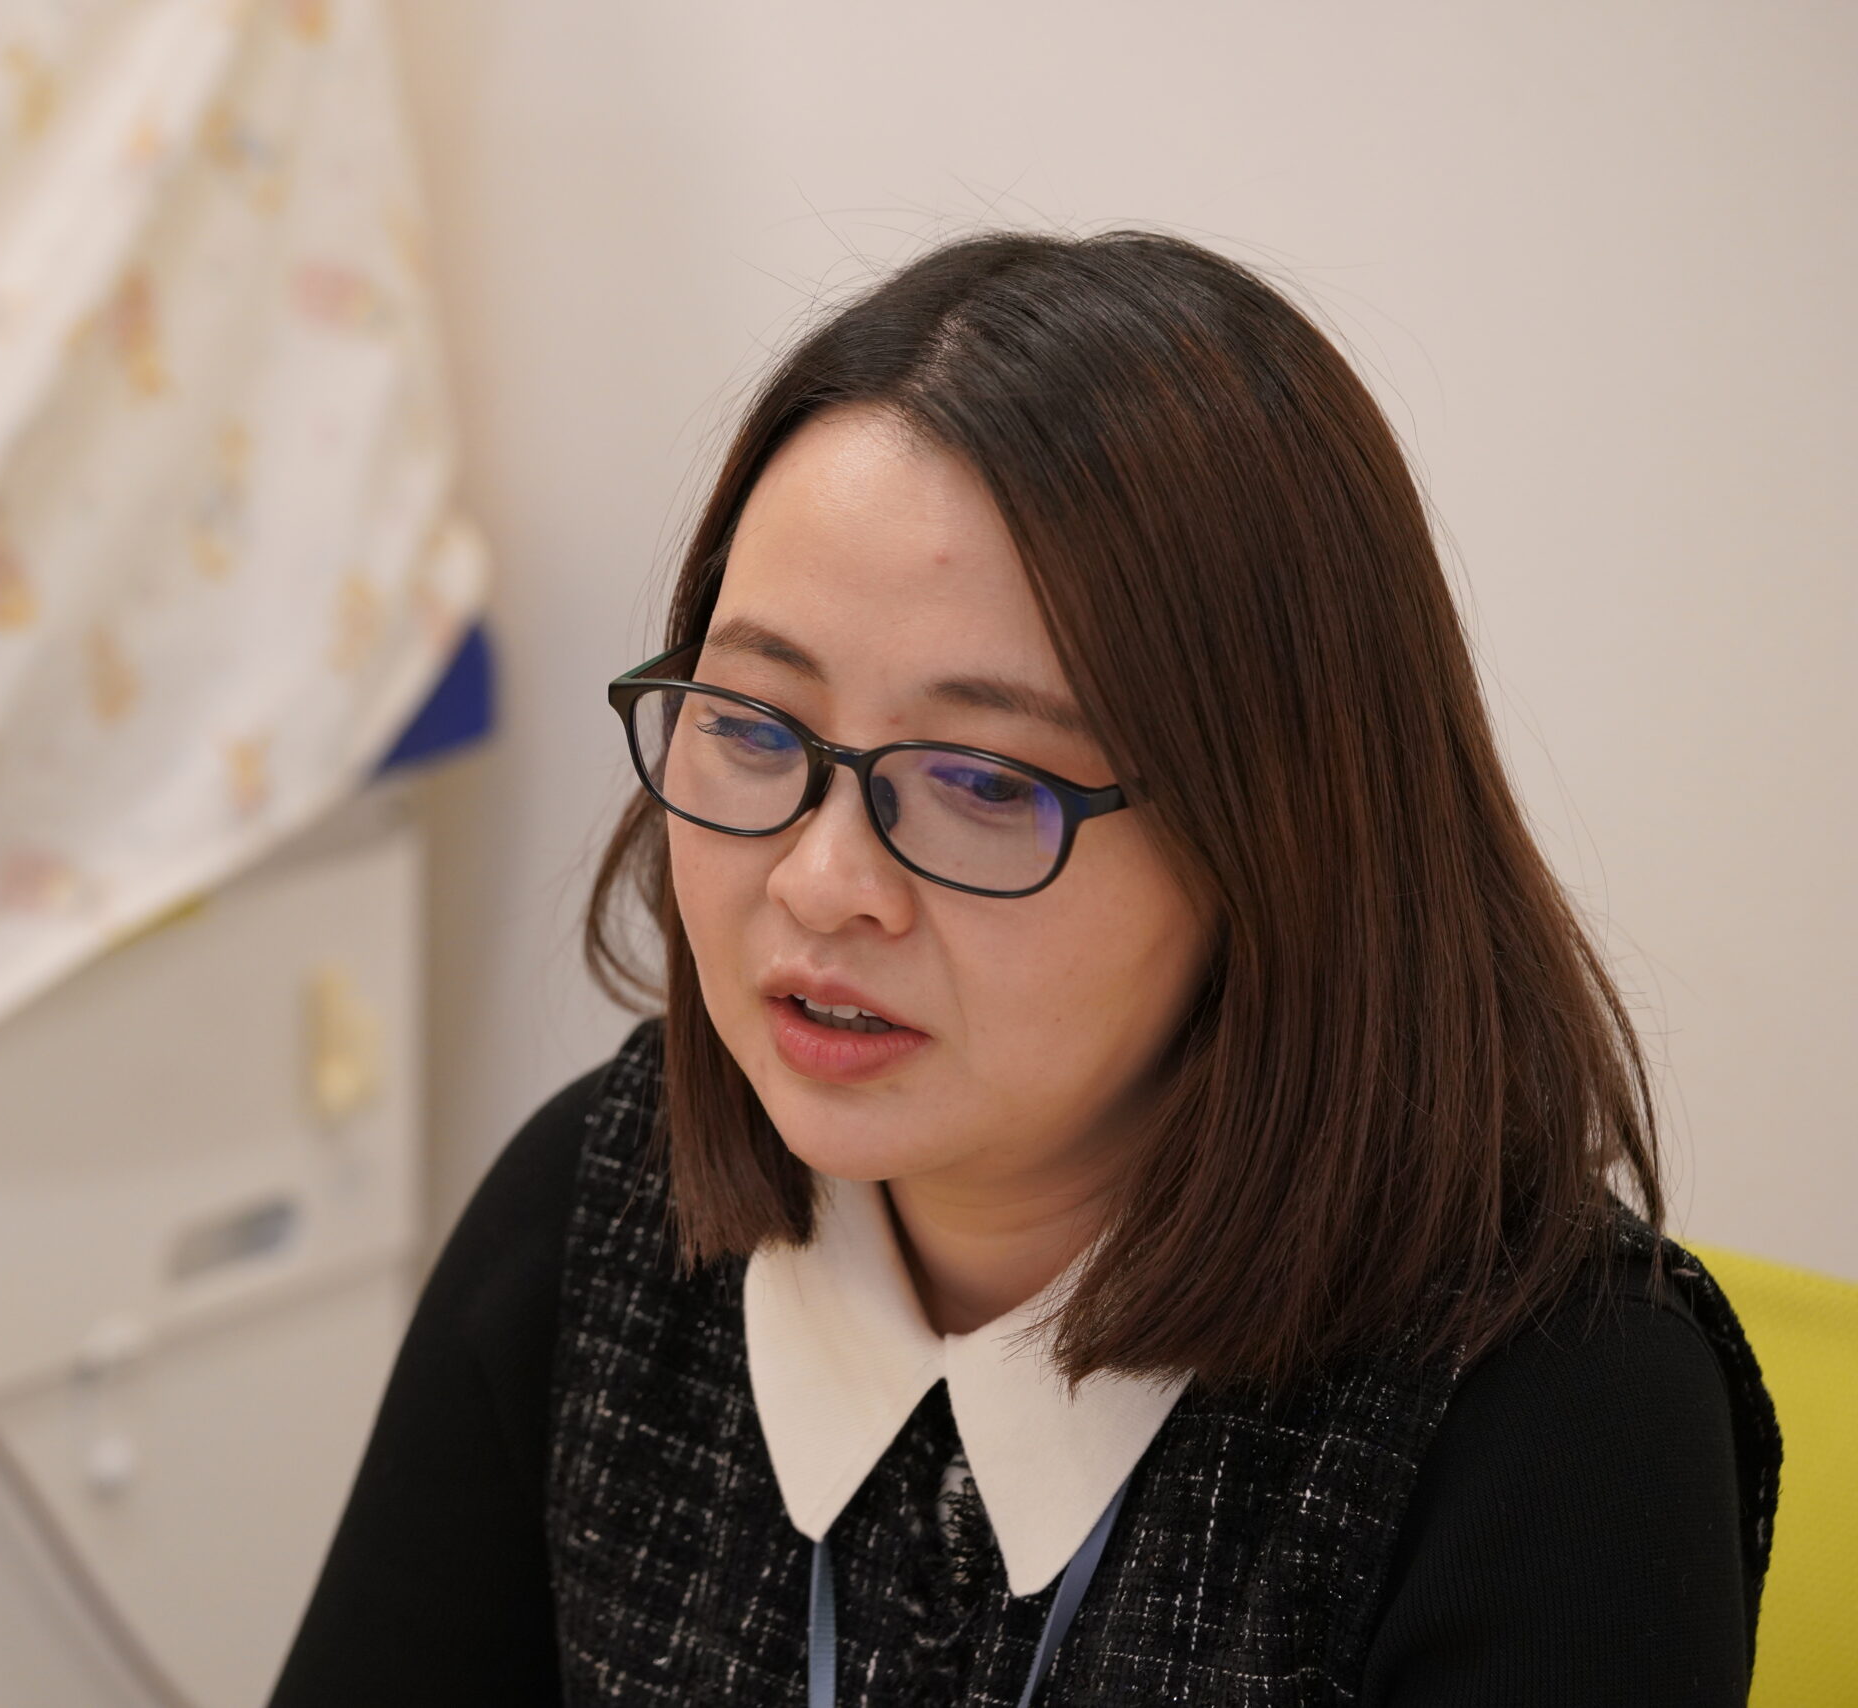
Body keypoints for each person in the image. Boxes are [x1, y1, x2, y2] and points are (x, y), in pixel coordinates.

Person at [267, 230, 1780, 1707]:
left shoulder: (1556, 1419)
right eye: (752, 726)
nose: (821, 882)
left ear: (1277, 849)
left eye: (985, 782)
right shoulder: (600, 1211)